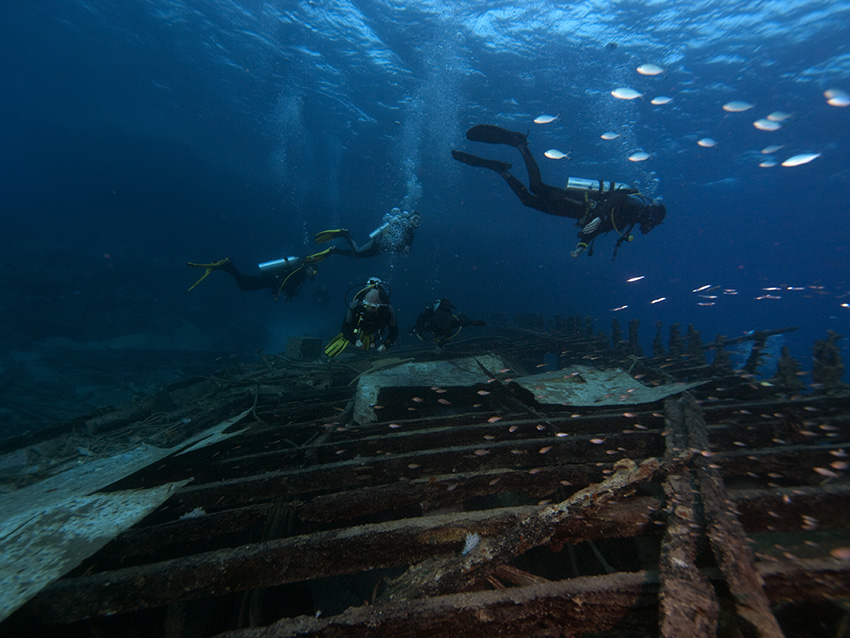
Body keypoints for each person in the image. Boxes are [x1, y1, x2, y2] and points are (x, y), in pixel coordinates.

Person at [452, 124, 667, 259]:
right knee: (537, 187)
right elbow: (617, 197)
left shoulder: (627, 222)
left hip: (573, 212)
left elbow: (597, 229)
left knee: (527, 201)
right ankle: (520, 144)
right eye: (653, 223)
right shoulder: (638, 204)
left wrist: (582, 244)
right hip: (579, 202)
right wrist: (600, 215)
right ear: (651, 216)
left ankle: (501, 170)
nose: (649, 228)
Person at [186, 248, 333, 299]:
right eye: (314, 272)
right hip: (269, 281)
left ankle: (224, 266)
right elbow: (287, 284)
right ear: (309, 269)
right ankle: (226, 265)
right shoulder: (300, 273)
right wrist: (290, 293)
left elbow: (287, 285)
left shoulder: (300, 273)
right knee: (243, 284)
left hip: (268, 281)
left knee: (243, 284)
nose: (314, 275)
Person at [324, 277, 398, 357]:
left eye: (372, 307)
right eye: (366, 306)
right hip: (360, 328)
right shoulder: (356, 305)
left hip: (375, 331)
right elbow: (345, 327)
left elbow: (394, 331)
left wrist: (386, 345)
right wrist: (354, 340)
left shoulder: (387, 310)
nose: (369, 310)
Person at [314, 207, 421, 258]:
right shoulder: (401, 223)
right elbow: (389, 235)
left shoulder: (411, 234)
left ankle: (335, 251)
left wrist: (403, 249)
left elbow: (407, 249)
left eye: (419, 221)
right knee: (357, 253)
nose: (416, 222)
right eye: (415, 218)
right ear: (410, 217)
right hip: (379, 243)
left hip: (382, 248)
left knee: (358, 255)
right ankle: (345, 234)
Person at [411, 298, 485, 348]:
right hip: (441, 328)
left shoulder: (430, 318)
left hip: (440, 329)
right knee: (460, 323)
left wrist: (440, 345)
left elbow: (420, 323)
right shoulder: (430, 317)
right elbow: (449, 333)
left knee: (461, 322)